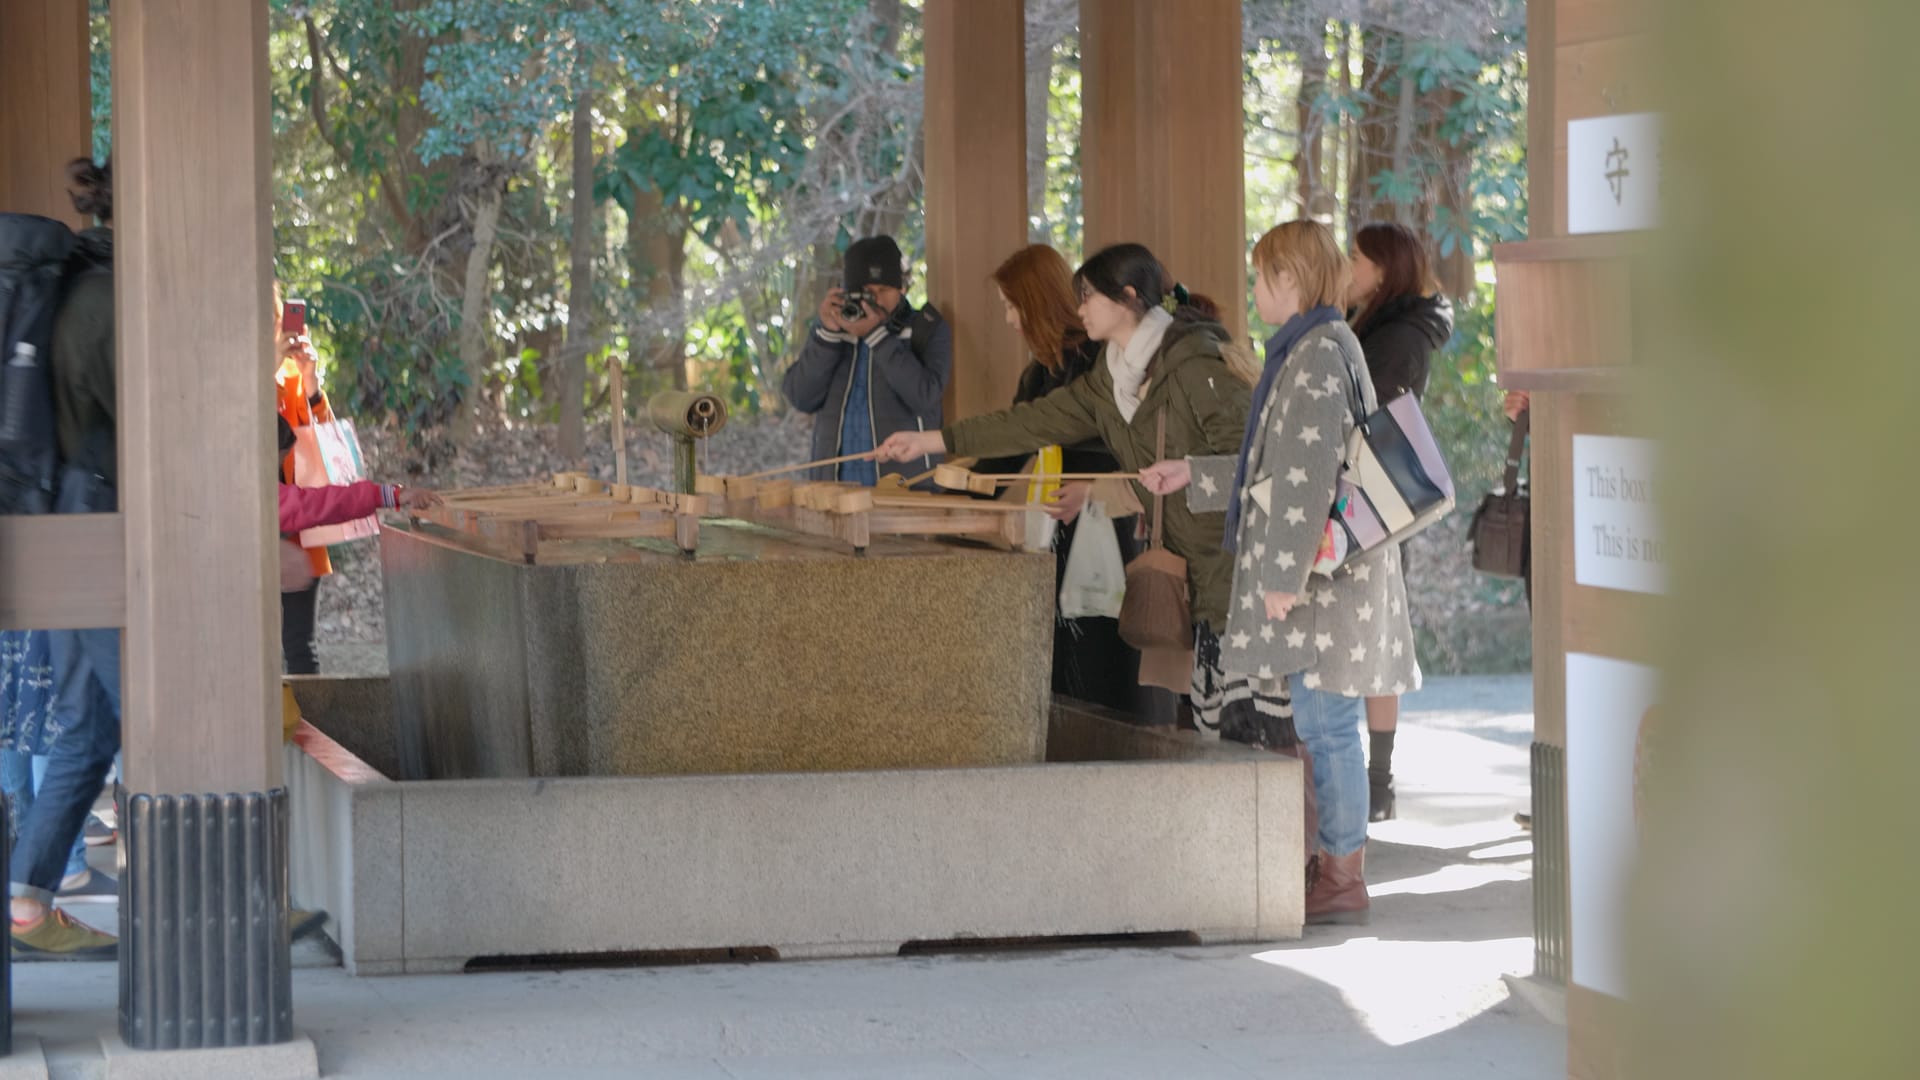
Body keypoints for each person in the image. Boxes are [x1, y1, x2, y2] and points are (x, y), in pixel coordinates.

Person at [876, 242, 1283, 745]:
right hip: (1191, 579)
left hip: (1236, 576)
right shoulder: (1106, 380)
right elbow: (1028, 423)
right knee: (1214, 729)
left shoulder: (1197, 364)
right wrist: (931, 441)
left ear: (1129, 297)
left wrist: (1188, 473)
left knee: (1258, 737)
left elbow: (1260, 467)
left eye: (1088, 296)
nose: (1080, 308)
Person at [1141, 220, 1422, 925]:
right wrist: (1196, 477)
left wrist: (1283, 577)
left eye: (1263, 275)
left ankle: (1342, 874)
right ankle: (1331, 866)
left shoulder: (1319, 353)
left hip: (1319, 583)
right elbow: (1273, 467)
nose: (1256, 289)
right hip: (1320, 577)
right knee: (1321, 724)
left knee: (1326, 726)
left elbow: (1306, 478)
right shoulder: (1316, 346)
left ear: (1291, 280)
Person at [10, 158, 122, 955]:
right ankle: (220, 903)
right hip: (103, 517)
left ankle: (25, 901)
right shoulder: (111, 298)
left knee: (90, 724)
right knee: (159, 710)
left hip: (63, 514)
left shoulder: (72, 285)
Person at [975, 244, 1141, 714]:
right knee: (1068, 653)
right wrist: (951, 490)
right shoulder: (1040, 371)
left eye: (1012, 306)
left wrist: (1096, 491)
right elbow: (1008, 447)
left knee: (1107, 651)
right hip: (1062, 524)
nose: (1010, 320)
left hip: (1112, 518)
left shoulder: (1101, 360)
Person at [1346, 222, 1454, 823]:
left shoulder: (1397, 337)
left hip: (1377, 505)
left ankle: (1379, 779)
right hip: (1373, 503)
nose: (1347, 265)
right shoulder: (1376, 326)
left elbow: (1372, 419)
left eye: (1357, 257)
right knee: (1373, 637)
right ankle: (1375, 779)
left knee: (1379, 640)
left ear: (1385, 271)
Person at [781, 235, 951, 485]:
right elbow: (800, 397)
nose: (877, 300)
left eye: (884, 290)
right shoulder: (834, 329)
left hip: (904, 485)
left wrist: (876, 336)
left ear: (901, 286)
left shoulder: (925, 328)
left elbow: (924, 396)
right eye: (867, 292)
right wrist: (827, 335)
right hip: (835, 485)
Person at [274, 283, 334, 674]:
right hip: (250, 522)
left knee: (300, 647)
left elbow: (327, 448)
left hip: (298, 524)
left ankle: (308, 733)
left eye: (277, 319)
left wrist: (312, 385)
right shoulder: (231, 371)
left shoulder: (295, 378)